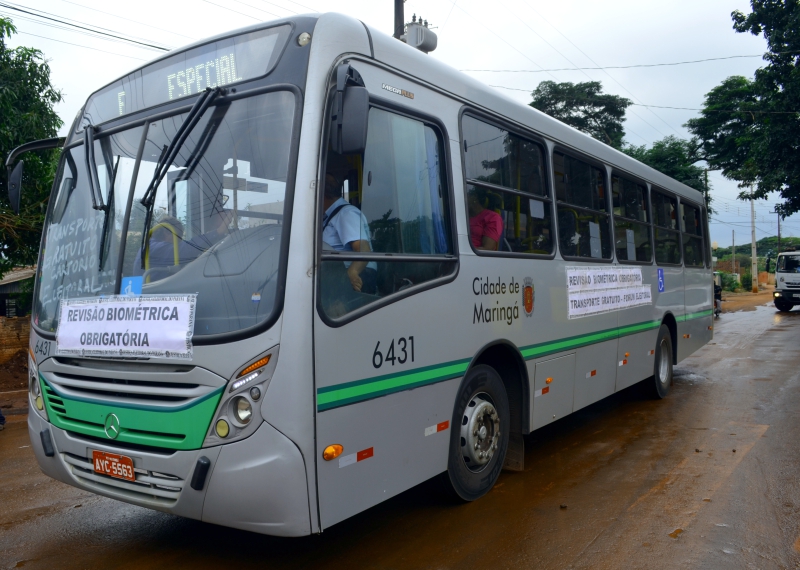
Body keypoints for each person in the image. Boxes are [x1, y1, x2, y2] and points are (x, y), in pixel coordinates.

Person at [322, 172, 377, 294]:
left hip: (357, 277)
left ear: (322, 194)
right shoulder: (330, 216)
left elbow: (364, 250)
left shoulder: (346, 214)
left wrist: (351, 274)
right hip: (335, 274)